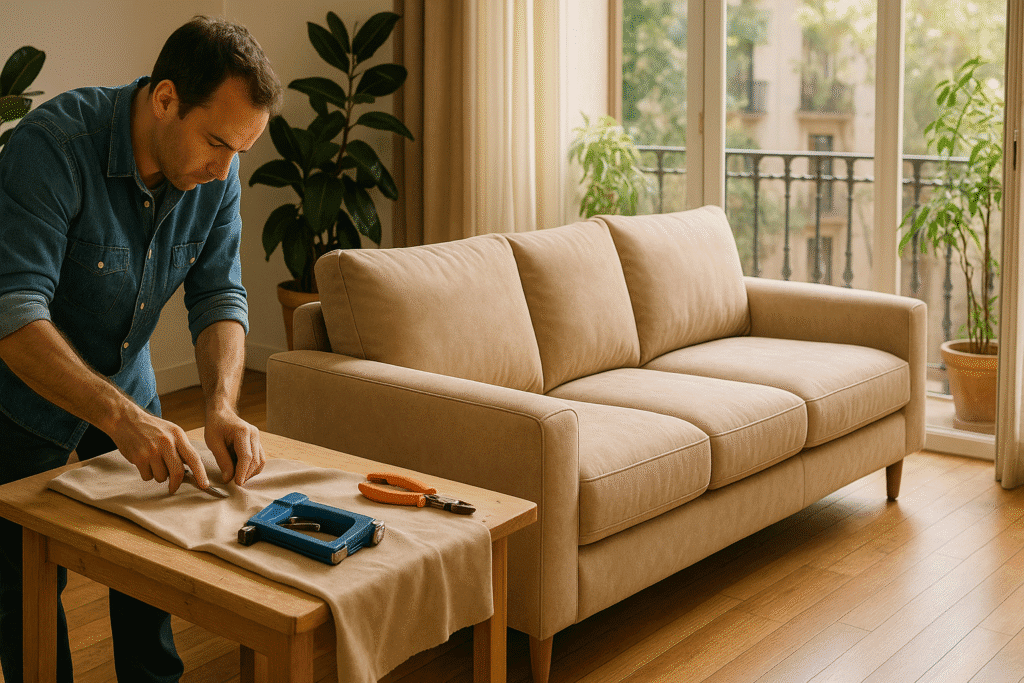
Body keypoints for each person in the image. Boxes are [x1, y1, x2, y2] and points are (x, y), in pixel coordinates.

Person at [0, 15, 282, 683]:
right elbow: (12, 313)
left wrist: (221, 406)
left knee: (150, 572)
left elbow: (220, 296)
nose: (223, 170)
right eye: (217, 142)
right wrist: (121, 417)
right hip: (18, 399)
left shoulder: (219, 174)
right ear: (165, 99)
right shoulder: (54, 147)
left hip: (129, 384)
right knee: (23, 594)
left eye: (239, 151)